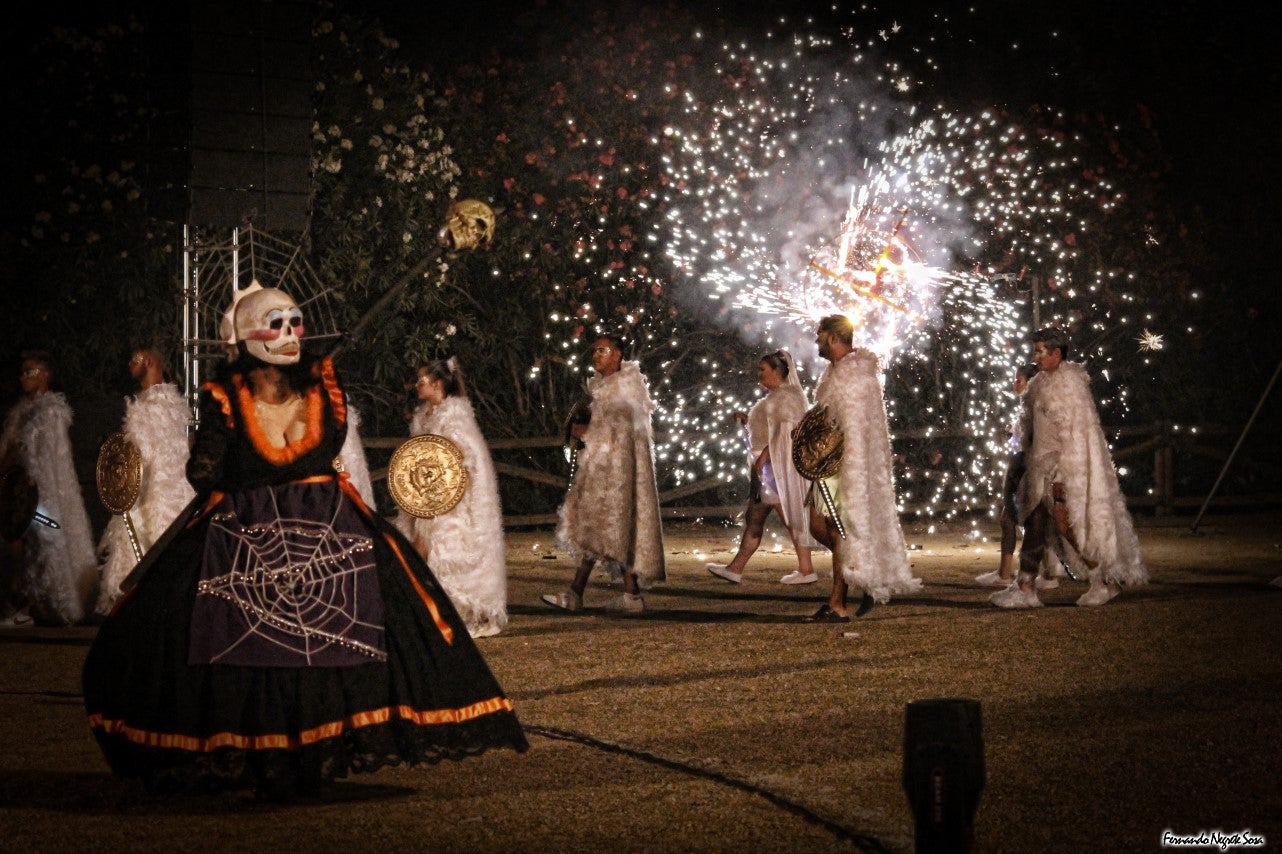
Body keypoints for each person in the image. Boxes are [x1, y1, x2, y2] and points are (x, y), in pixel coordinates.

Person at [83, 286, 526, 798]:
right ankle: (267, 756)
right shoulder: (226, 394)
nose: (291, 334)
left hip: (324, 520)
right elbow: (205, 470)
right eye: (277, 324)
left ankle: (313, 755)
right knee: (243, 640)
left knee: (340, 635)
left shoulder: (322, 386)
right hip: (246, 526)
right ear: (249, 337)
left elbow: (320, 445)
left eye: (296, 323)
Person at [991, 327, 1149, 608]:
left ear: (1056, 353)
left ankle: (1103, 580)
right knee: (1035, 522)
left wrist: (1065, 475)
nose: (1036, 356)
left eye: (1041, 351)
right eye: (1035, 350)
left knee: (1068, 527)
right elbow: (1031, 425)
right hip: (1038, 467)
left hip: (1057, 470)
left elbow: (1076, 436)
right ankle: (1026, 586)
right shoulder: (1038, 383)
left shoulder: (1071, 386)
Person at [804, 315, 921, 622]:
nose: (816, 341)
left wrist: (846, 469)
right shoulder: (833, 374)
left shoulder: (857, 378)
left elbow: (855, 433)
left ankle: (838, 602)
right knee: (817, 526)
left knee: (836, 529)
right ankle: (862, 572)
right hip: (828, 464)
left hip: (845, 467)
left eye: (820, 335)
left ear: (833, 338)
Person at [542, 334, 665, 614]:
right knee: (600, 532)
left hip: (615, 475)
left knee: (609, 530)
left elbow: (622, 435)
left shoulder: (624, 390)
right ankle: (611, 595)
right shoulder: (607, 387)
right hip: (604, 470)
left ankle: (589, 595)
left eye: (602, 351)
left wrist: (588, 432)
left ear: (618, 354)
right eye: (594, 351)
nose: (596, 356)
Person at [397, 358, 507, 639]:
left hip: (453, 499)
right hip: (427, 494)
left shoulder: (455, 416)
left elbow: (464, 457)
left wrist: (444, 491)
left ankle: (463, 615)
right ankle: (424, 613)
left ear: (437, 384)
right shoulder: (424, 415)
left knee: (447, 551)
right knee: (418, 549)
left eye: (422, 381)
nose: (417, 386)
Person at [706, 349, 820, 585]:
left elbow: (787, 430)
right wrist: (747, 420)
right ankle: (736, 568)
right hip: (767, 467)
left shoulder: (787, 396)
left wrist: (765, 457)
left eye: (763, 370)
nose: (759, 374)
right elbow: (769, 427)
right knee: (755, 517)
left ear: (777, 371)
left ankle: (806, 569)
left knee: (788, 516)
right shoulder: (775, 397)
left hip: (772, 468)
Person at [95, 348, 196, 614]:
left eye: (135, 359)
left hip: (153, 491)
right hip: (159, 491)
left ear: (149, 362)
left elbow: (142, 456)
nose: (130, 363)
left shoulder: (151, 406)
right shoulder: (166, 403)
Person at [0, 351, 96, 626]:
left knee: (38, 546)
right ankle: (29, 605)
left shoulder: (51, 411)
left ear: (45, 374)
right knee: (21, 547)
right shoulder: (21, 411)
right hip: (19, 490)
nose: (23, 378)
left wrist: (43, 495)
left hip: (39, 495)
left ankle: (28, 606)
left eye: (30, 371)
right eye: (21, 372)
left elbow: (53, 460)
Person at [975, 362, 1039, 588]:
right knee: (1008, 519)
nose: (1014, 383)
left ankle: (1030, 574)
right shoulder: (1024, 408)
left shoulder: (1033, 408)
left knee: (1025, 521)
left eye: (1018, 380)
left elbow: (1028, 443)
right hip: (1018, 468)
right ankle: (1005, 572)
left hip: (1025, 470)